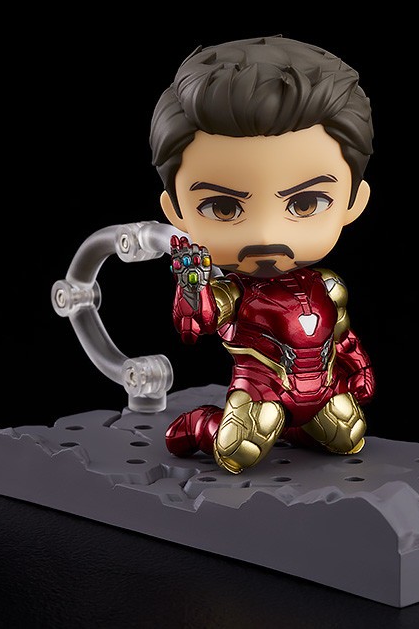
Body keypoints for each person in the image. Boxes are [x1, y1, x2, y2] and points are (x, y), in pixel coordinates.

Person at [150, 36, 375, 474]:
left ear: (354, 201)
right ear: (175, 211)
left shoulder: (328, 285)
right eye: (224, 208)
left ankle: (292, 429)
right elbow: (197, 323)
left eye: (305, 204)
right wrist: (193, 286)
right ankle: (201, 425)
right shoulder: (234, 291)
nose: (266, 235)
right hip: (261, 391)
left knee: (349, 436)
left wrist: (358, 365)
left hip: (322, 389)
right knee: (238, 452)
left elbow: (342, 335)